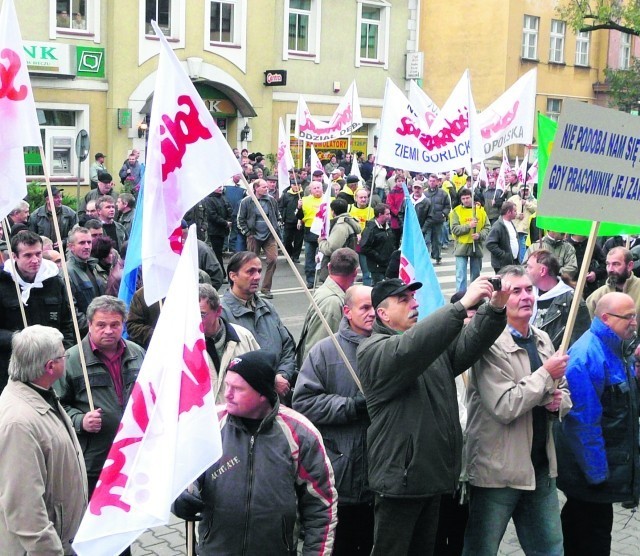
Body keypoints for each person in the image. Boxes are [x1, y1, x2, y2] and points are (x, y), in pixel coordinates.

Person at [357, 276, 509, 555]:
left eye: (413, 298)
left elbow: (468, 345)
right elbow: (409, 349)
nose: (414, 304)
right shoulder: (373, 349)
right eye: (404, 300)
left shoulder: (427, 347)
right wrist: (462, 306)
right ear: (382, 313)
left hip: (430, 476)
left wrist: (494, 309)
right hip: (400, 482)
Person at [172, 350, 337, 555]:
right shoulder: (208, 425)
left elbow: (321, 506)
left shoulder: (300, 433)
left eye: (238, 388)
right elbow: (179, 477)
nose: (227, 394)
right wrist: (178, 500)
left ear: (262, 394)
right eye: (227, 385)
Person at [463, 265, 572, 556]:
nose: (526, 296)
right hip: (497, 471)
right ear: (500, 300)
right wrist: (545, 376)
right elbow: (505, 405)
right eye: (516, 291)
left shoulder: (542, 338)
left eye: (529, 289)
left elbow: (563, 392)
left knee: (550, 549)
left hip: (539, 468)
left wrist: (558, 403)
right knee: (481, 549)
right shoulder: (488, 345)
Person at [555, 292, 640, 555]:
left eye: (635, 315)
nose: (634, 322)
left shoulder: (618, 347)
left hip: (600, 469)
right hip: (590, 472)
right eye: (629, 317)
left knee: (586, 527)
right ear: (606, 318)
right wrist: (597, 475)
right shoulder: (586, 356)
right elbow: (583, 423)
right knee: (592, 535)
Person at [293, 285, 375, 555]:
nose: (372, 313)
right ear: (347, 311)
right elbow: (303, 403)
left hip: (380, 478)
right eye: (364, 308)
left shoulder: (387, 346)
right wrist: (350, 407)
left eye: (375, 306)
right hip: (342, 473)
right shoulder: (325, 352)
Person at [0, 325, 87, 554]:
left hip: (64, 538)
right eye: (63, 355)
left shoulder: (40, 392)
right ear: (51, 366)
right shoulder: (18, 423)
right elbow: (24, 509)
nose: (66, 358)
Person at [56, 296, 145, 496]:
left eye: (115, 325)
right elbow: (55, 406)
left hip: (133, 456)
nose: (108, 331)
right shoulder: (70, 360)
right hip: (93, 460)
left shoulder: (137, 354)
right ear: (89, 324)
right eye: (101, 325)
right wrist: (80, 420)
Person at [0, 231, 75, 393]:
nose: (35, 260)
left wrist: (64, 355)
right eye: (27, 255)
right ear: (14, 256)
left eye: (38, 254)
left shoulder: (54, 281)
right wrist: (20, 339)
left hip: (50, 367)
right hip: (10, 367)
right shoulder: (3, 283)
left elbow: (67, 323)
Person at [221, 252, 296, 398]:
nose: (257, 277)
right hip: (246, 398)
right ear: (232, 276)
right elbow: (226, 365)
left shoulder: (267, 307)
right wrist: (270, 381)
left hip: (278, 395)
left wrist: (283, 375)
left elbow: (287, 346)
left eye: (259, 271)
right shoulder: (222, 315)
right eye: (250, 271)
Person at [296, 248, 359, 367]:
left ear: (329, 267)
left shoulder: (327, 291)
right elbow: (318, 351)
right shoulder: (332, 303)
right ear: (355, 273)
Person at [199, 283, 260, 403]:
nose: (195, 320)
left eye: (201, 315)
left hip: (239, 418)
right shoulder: (183, 347)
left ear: (218, 311)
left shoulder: (244, 337)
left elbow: (260, 380)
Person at [526, 249, 591, 349]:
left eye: (529, 267)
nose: (526, 270)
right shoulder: (526, 294)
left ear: (542, 271)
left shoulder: (572, 301)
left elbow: (580, 342)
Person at [237, 179, 280, 298]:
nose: (266, 189)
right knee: (251, 263)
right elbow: (240, 219)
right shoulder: (246, 201)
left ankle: (266, 289)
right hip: (254, 236)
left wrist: (276, 228)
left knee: (273, 260)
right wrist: (248, 233)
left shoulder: (271, 200)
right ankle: (250, 288)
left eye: (267, 187)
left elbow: (277, 216)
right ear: (256, 188)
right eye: (264, 187)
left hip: (269, 236)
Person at [450, 187, 490, 291]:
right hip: (461, 247)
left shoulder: (480, 211)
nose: (466, 200)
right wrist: (468, 226)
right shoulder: (456, 211)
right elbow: (454, 229)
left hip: (476, 246)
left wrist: (480, 235)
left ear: (472, 198)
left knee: (476, 276)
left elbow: (487, 227)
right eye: (463, 198)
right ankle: (460, 298)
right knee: (461, 276)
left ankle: (475, 297)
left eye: (467, 198)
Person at [66, 226, 106, 326]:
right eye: (82, 243)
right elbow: (71, 311)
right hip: (85, 332)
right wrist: (93, 325)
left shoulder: (94, 267)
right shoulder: (67, 272)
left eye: (89, 242)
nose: (87, 246)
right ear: (71, 246)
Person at [586, 247, 640, 317]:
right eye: (608, 264)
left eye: (616, 264)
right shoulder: (595, 298)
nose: (610, 269)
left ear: (629, 266)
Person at [317, 199, 361, 282]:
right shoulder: (348, 222)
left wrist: (321, 242)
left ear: (333, 211)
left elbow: (331, 249)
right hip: (346, 264)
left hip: (339, 268)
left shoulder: (340, 227)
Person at [359, 203, 395, 285]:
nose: (390, 216)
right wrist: (379, 257)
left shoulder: (388, 227)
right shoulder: (371, 229)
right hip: (377, 267)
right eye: (387, 214)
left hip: (388, 265)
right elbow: (364, 247)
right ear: (380, 215)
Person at [300, 180, 327, 288]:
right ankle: (310, 281)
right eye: (314, 188)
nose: (317, 190)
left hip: (323, 233)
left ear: (322, 188)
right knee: (309, 258)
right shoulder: (304, 200)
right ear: (310, 190)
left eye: (318, 187)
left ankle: (324, 279)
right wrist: (298, 208)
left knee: (324, 258)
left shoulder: (328, 199)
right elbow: (299, 216)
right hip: (310, 232)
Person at [423, 173, 451, 265]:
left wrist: (443, 214)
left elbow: (447, 206)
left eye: (433, 181)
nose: (431, 183)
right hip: (427, 221)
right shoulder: (425, 193)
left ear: (437, 182)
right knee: (426, 240)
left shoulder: (443, 193)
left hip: (438, 220)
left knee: (437, 240)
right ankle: (426, 257)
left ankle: (437, 256)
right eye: (430, 181)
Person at [486, 201, 519, 274]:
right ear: (508, 212)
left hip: (512, 261)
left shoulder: (510, 223)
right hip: (502, 264)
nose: (516, 213)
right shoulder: (498, 226)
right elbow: (489, 244)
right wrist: (503, 255)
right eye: (515, 211)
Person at [206, 184, 233, 271]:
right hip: (214, 230)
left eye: (221, 187)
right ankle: (221, 273)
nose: (220, 189)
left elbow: (229, 210)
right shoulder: (209, 199)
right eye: (218, 187)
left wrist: (228, 221)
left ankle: (222, 273)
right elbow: (212, 215)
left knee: (219, 252)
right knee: (217, 253)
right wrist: (225, 223)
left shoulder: (223, 197)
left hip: (223, 229)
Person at [508, 183, 537, 262]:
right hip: (515, 228)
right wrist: (517, 215)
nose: (525, 192)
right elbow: (506, 210)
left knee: (523, 248)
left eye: (527, 190)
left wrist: (526, 204)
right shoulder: (513, 199)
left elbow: (537, 210)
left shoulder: (533, 201)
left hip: (527, 230)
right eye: (523, 190)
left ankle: (523, 263)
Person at [278, 179, 304, 262]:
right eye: (294, 185)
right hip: (288, 221)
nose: (296, 187)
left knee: (298, 240)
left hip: (299, 221)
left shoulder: (303, 195)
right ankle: (289, 254)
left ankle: (296, 256)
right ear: (291, 186)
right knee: (287, 240)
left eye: (298, 185)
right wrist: (282, 217)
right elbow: (281, 207)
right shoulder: (286, 195)